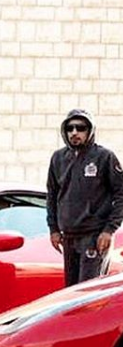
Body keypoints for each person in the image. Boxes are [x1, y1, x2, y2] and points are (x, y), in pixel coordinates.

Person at [47, 109, 123, 286]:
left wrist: (109, 230)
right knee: (71, 294)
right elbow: (52, 195)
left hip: (94, 236)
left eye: (80, 128)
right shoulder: (58, 158)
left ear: (90, 130)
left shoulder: (105, 157)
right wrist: (53, 229)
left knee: (88, 292)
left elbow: (121, 194)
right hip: (69, 237)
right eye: (70, 128)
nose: (74, 132)